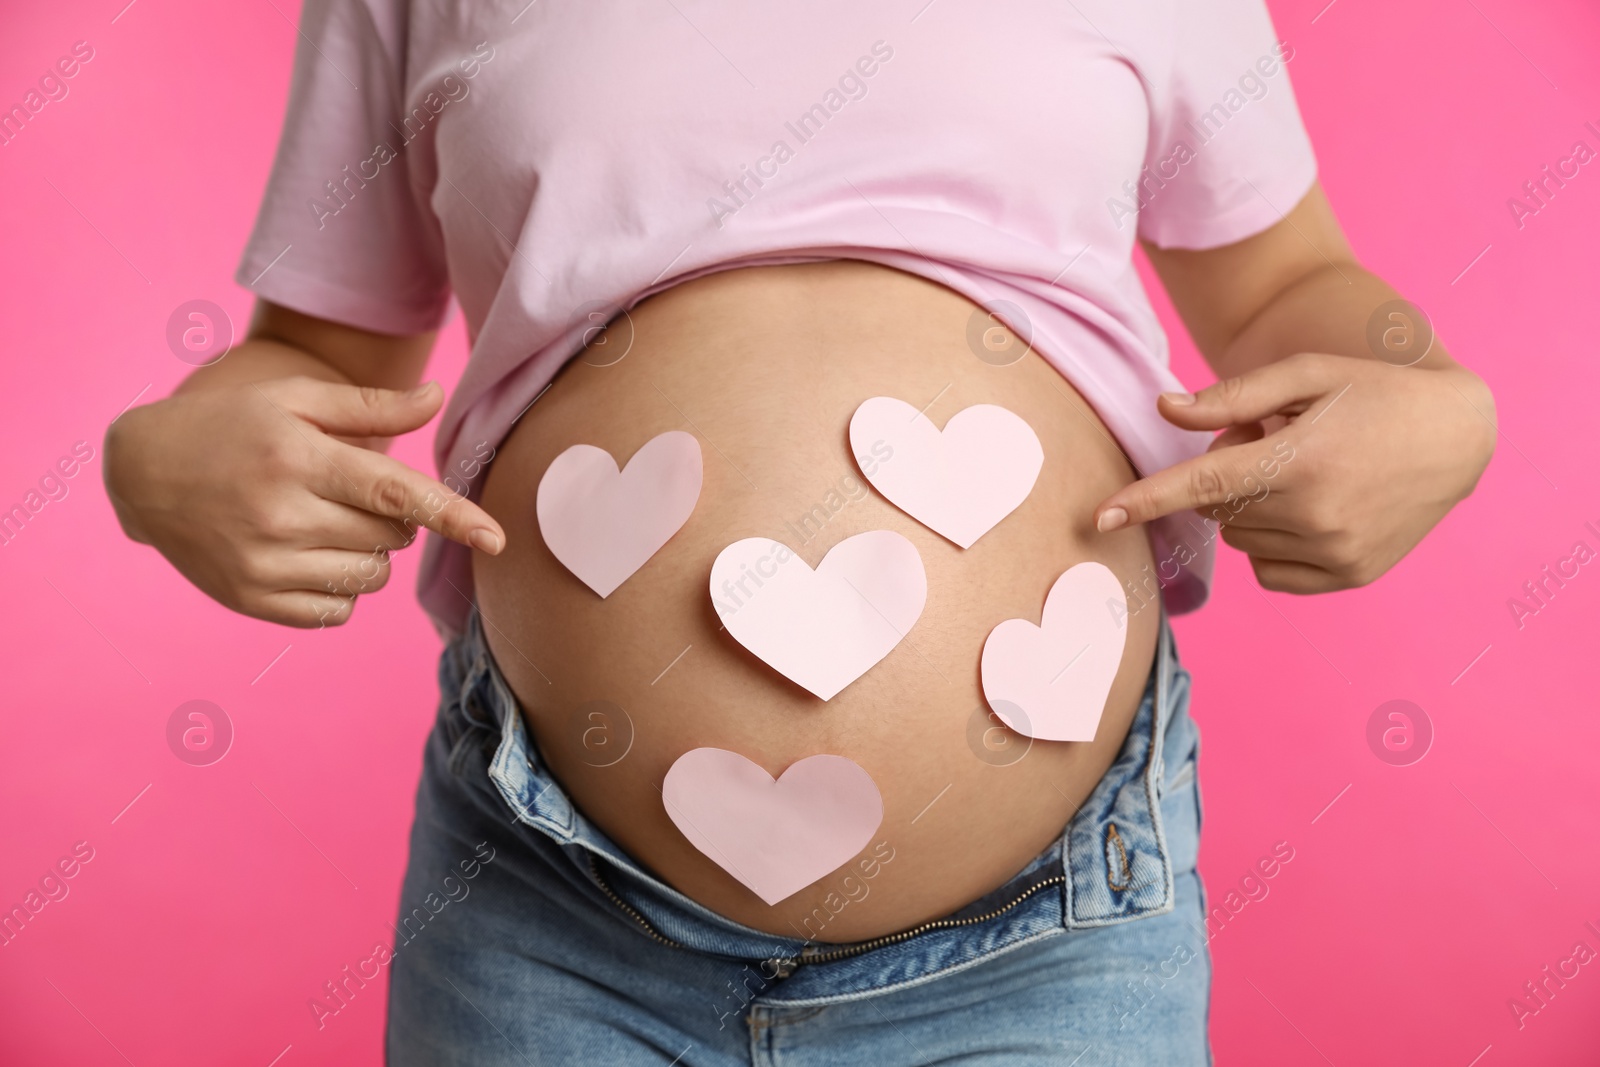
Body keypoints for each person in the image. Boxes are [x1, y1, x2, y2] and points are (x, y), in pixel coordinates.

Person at [102, 1, 1494, 1062]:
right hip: (548, 915)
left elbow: (1294, 283)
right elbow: (305, 356)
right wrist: (165, 451)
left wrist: (1431, 402)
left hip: (1051, 934)